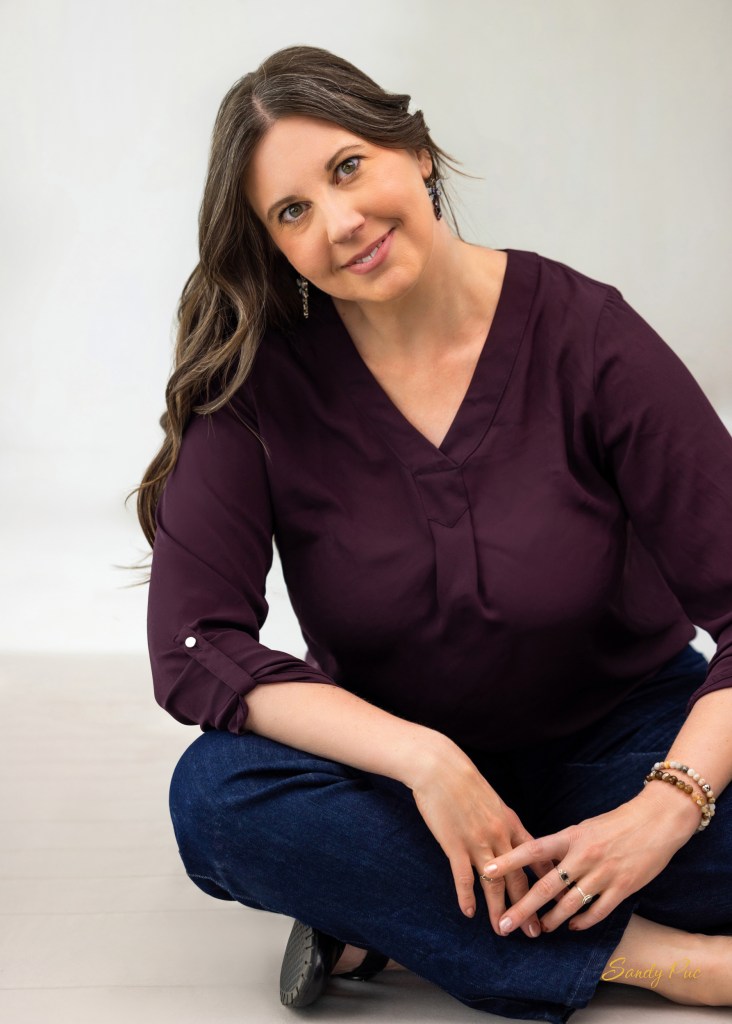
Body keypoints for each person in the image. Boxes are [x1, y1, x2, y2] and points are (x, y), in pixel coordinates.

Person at [135, 44, 732, 1022]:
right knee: (219, 800)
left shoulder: (586, 334)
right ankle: (662, 960)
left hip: (625, 746)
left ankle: (387, 912)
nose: (340, 223)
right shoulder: (258, 390)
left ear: (413, 148)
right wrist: (426, 761)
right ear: (274, 247)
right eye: (292, 212)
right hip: (395, 788)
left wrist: (666, 809)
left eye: (348, 168)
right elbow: (195, 643)